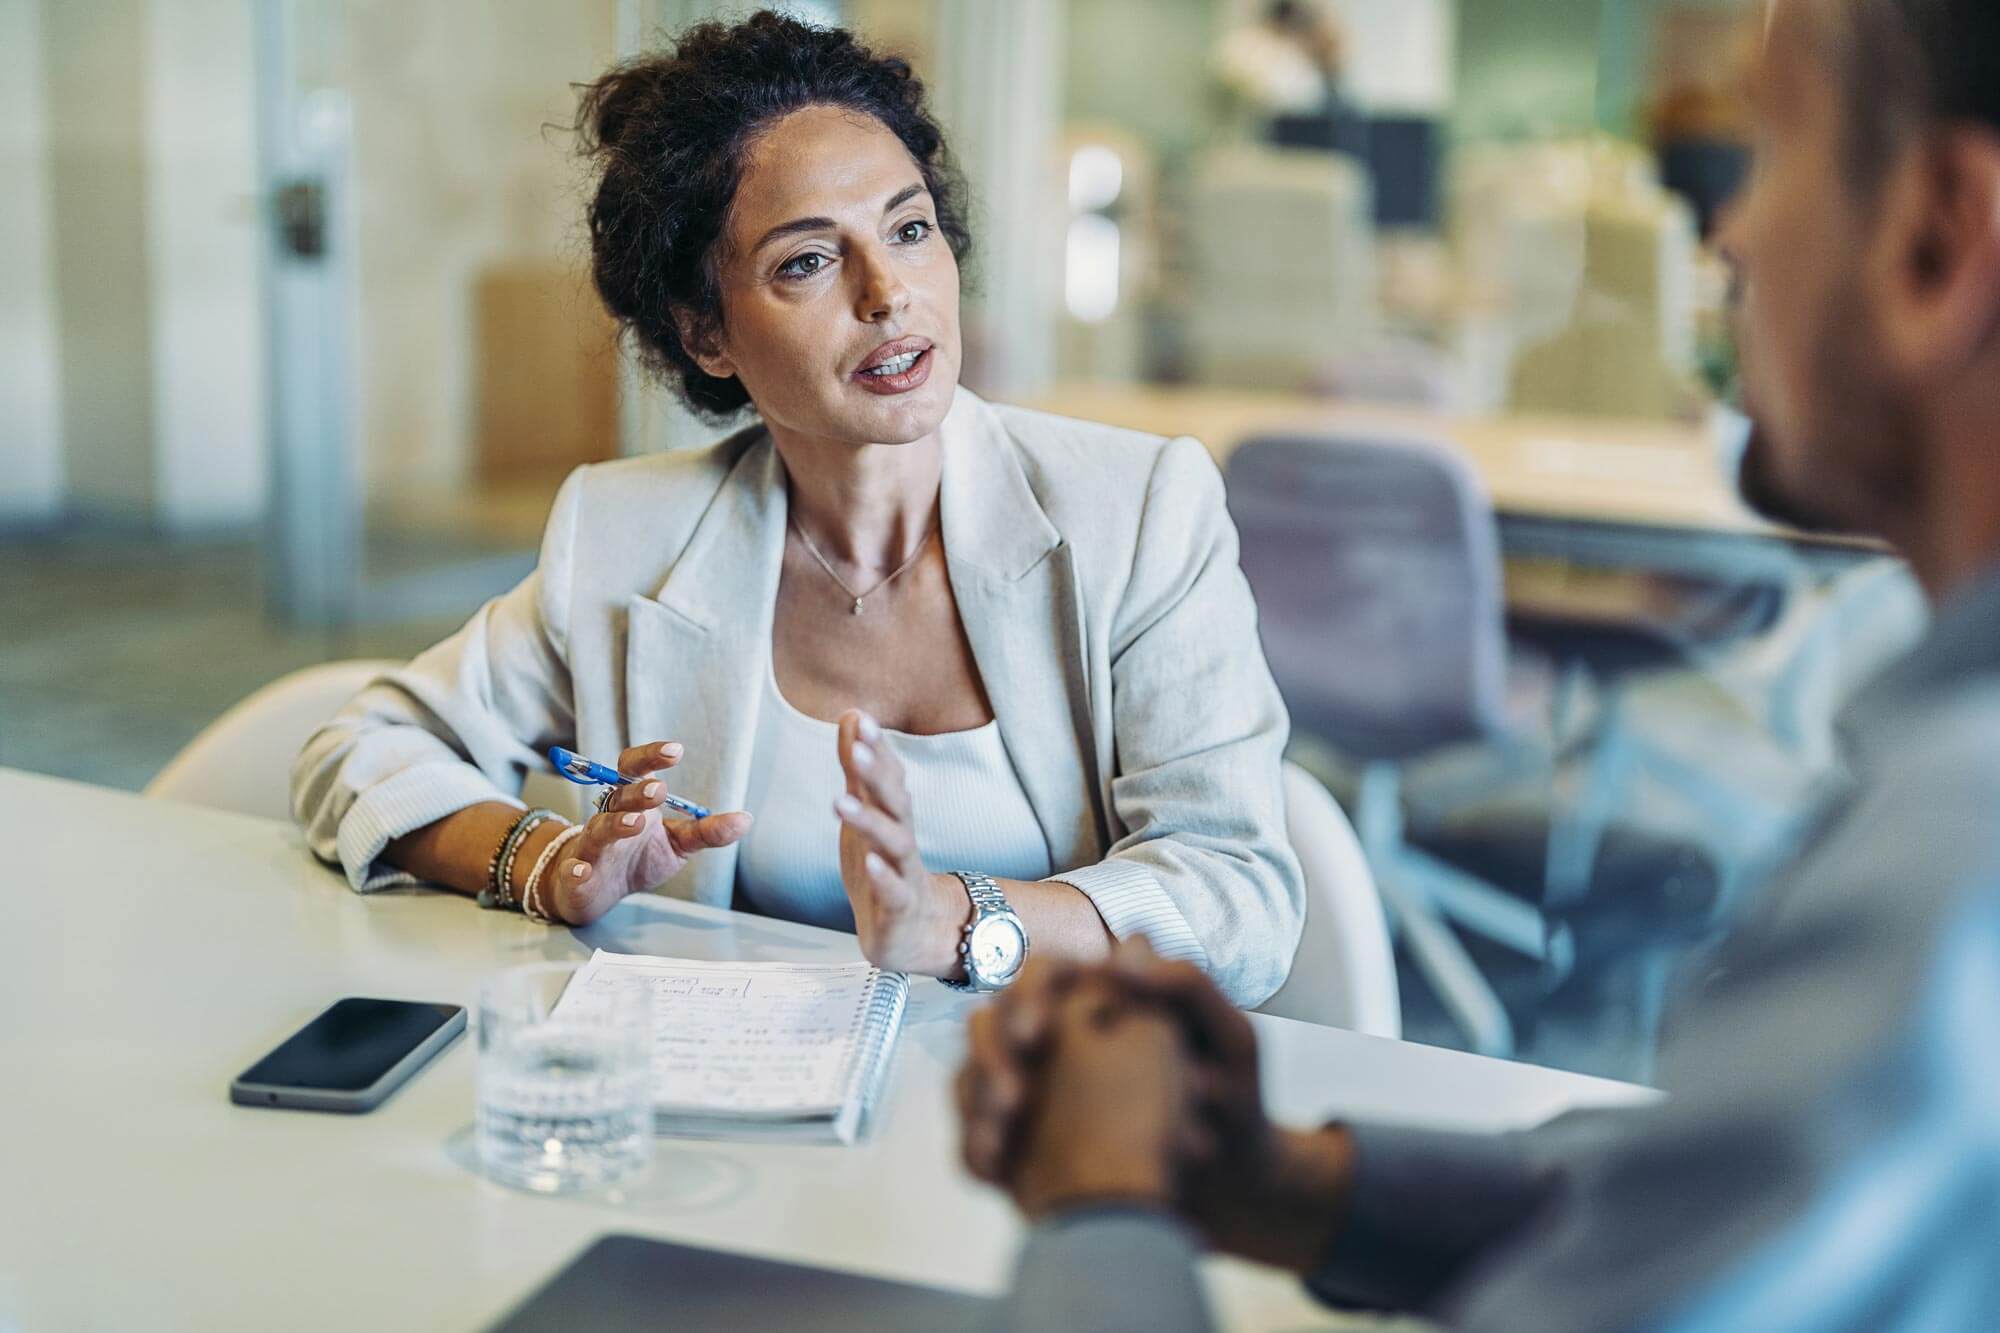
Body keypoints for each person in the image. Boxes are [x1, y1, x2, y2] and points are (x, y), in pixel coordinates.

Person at [958, 0, 2000, 1326]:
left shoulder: (1950, 878)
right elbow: (1696, 1203)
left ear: (1937, 240)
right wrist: (1287, 1177)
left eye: (1771, 147)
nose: (1728, 232)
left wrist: (1101, 1203)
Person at [289, 12, 1303, 1003]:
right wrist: (547, 862)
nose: (886, 292)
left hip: (1041, 1109)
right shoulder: (624, 533)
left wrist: (951, 919)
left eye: (908, 229)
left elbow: (1239, 900)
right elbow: (359, 750)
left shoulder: (1134, 510)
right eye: (806, 261)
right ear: (705, 336)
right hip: (733, 1123)